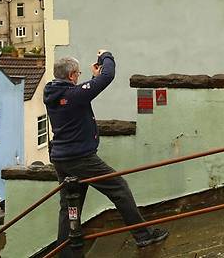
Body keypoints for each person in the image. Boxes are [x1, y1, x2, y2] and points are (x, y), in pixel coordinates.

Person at [44, 50, 168, 256]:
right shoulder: (74, 94)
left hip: (61, 158)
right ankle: (143, 235)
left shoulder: (53, 93)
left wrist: (92, 79)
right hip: (81, 159)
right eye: (78, 74)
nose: (79, 77)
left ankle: (65, 252)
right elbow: (108, 76)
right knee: (119, 188)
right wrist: (106, 56)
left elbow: (81, 95)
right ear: (72, 75)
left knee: (69, 206)